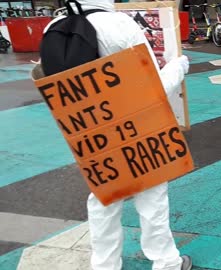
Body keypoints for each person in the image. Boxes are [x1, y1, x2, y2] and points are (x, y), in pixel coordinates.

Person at [42, 1, 192, 269]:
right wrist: (179, 66)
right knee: (152, 194)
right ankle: (167, 262)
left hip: (91, 135)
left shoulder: (52, 27)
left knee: (104, 197)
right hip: (137, 126)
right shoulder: (119, 25)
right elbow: (152, 87)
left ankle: (104, 265)